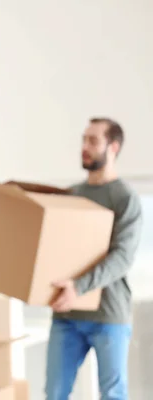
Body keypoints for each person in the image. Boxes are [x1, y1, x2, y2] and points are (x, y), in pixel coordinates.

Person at [45, 117, 143, 400]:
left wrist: (79, 286)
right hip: (67, 314)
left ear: (113, 147)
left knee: (112, 393)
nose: (84, 147)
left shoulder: (125, 198)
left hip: (109, 314)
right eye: (83, 139)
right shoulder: (72, 195)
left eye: (93, 140)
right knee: (54, 393)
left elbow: (122, 257)